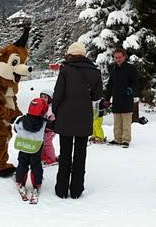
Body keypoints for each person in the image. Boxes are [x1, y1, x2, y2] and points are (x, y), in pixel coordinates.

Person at [52, 42, 103, 199]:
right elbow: (96, 96)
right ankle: (76, 189)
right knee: (81, 154)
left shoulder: (66, 69)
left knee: (65, 153)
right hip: (84, 117)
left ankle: (61, 189)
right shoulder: (95, 72)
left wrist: (54, 112)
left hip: (65, 117)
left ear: (71, 54)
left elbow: (58, 93)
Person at [14, 98, 48, 201]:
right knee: (36, 165)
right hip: (35, 149)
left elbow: (15, 128)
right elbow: (52, 128)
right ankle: (37, 183)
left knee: (22, 164)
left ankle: (20, 180)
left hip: (23, 146)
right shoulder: (44, 123)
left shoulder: (20, 120)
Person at [104, 48, 138, 148]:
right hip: (116, 99)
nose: (118, 59)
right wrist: (107, 98)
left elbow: (136, 82)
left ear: (124, 57)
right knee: (117, 121)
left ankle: (125, 140)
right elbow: (110, 84)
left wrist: (130, 89)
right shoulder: (113, 69)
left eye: (119, 57)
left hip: (127, 98)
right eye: (116, 58)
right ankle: (117, 138)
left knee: (126, 121)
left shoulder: (131, 68)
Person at [39, 89, 57, 166]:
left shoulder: (50, 109)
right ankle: (43, 157)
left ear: (50, 99)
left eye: (45, 97)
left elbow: (53, 120)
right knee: (42, 143)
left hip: (49, 130)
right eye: (41, 97)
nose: (43, 98)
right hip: (43, 129)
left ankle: (51, 159)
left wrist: (48, 128)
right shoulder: (41, 107)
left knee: (47, 144)